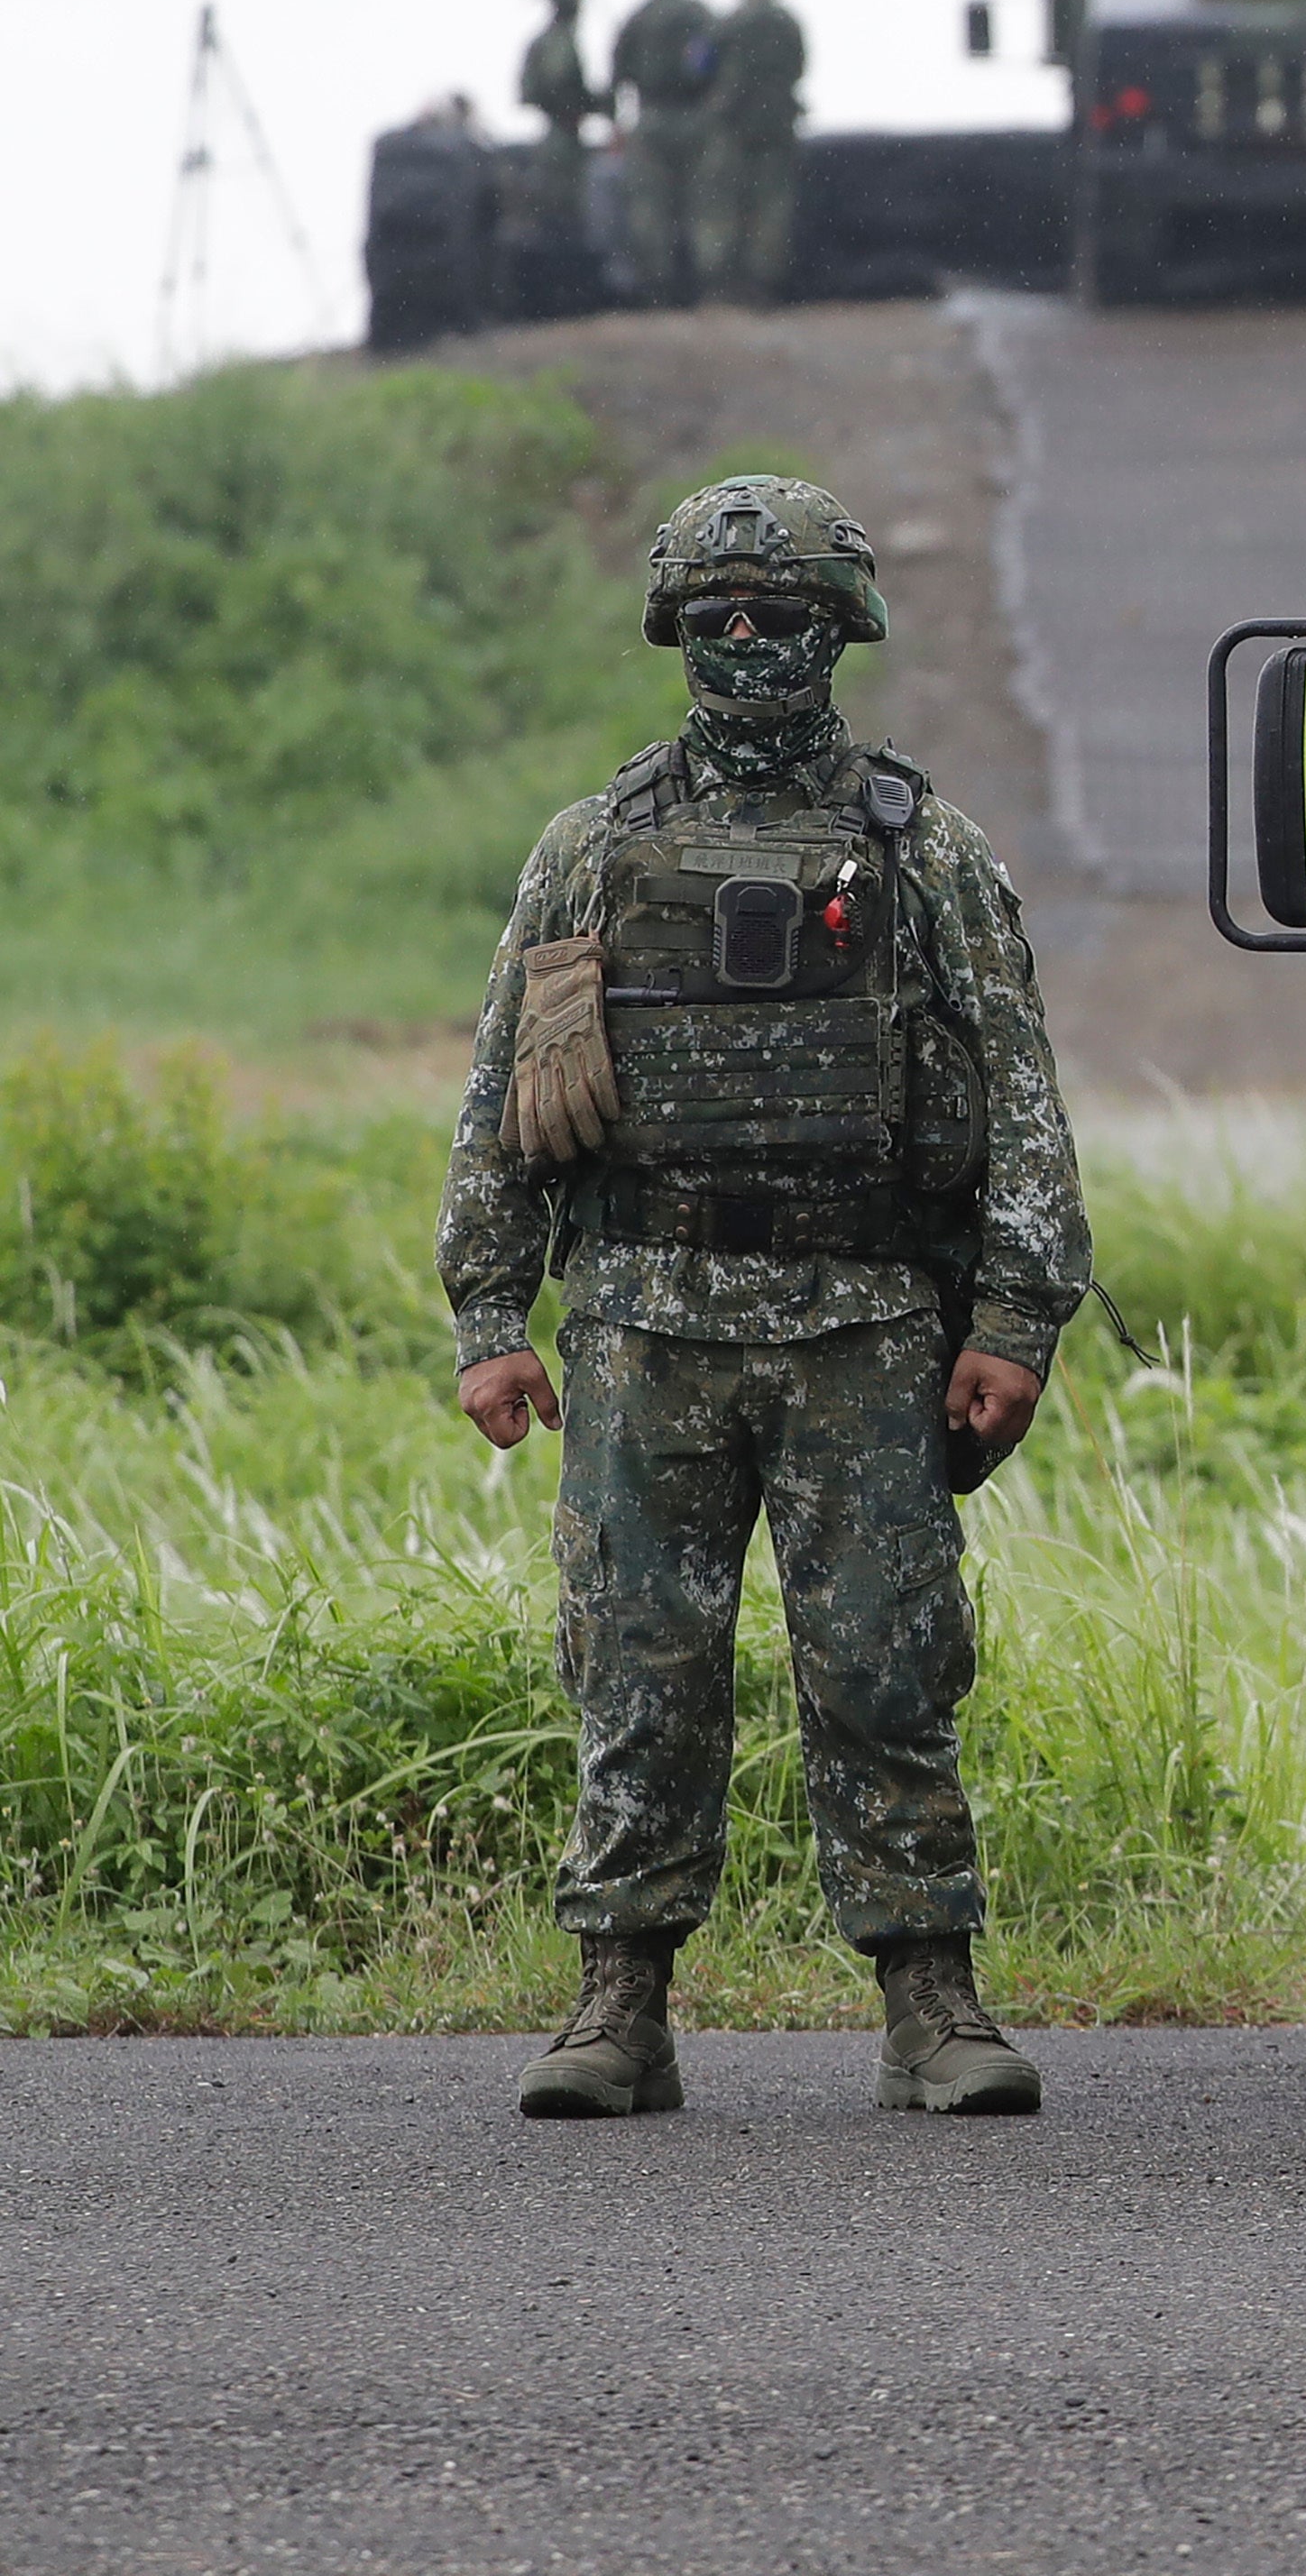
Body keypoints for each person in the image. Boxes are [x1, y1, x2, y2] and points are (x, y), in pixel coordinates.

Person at [438, 474, 1094, 2122]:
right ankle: (619, 2007)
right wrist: (490, 1316)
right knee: (638, 1666)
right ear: (674, 630)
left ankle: (934, 2006)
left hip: (865, 1325)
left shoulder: (921, 849)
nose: (751, 643)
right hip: (645, 1323)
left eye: (786, 616)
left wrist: (1016, 1322)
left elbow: (1019, 1094)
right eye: (721, 617)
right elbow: (504, 1094)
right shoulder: (591, 849)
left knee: (886, 1667)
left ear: (841, 633)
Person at [606, 0, 716, 306]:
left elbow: (618, 72)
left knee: (650, 207)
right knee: (703, 203)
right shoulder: (700, 14)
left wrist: (616, 120)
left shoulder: (639, 17)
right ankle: (706, 285)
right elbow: (714, 63)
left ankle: (658, 288)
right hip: (696, 119)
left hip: (650, 118)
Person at [703, 0, 810, 304]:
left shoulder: (729, 22)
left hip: (733, 123)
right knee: (772, 204)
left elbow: (701, 66)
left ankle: (722, 282)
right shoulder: (788, 22)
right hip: (777, 122)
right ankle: (763, 281)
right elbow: (799, 66)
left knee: (724, 201)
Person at [508, 0, 610, 307]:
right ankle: (566, 293)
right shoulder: (558, 41)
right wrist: (587, 103)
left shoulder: (549, 38)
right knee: (564, 214)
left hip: (561, 134)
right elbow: (557, 83)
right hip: (562, 136)